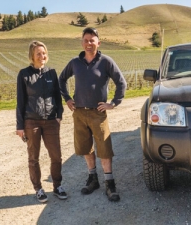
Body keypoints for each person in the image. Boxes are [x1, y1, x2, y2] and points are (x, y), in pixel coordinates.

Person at [58, 27, 127, 202]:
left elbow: (121, 82)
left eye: (92, 40)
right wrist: (67, 98)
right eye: (86, 40)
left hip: (98, 114)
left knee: (104, 149)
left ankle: (110, 184)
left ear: (98, 42)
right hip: (79, 113)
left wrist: (113, 103)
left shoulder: (106, 62)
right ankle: (93, 179)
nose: (89, 43)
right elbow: (61, 79)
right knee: (85, 148)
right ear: (82, 42)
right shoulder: (75, 62)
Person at [16, 41, 67, 203]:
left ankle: (57, 185)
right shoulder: (24, 74)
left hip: (51, 121)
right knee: (33, 157)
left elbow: (58, 98)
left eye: (44, 53)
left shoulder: (51, 73)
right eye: (38, 53)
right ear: (32, 56)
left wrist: (59, 115)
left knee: (56, 156)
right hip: (32, 122)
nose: (42, 56)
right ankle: (38, 189)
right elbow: (20, 101)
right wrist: (20, 126)